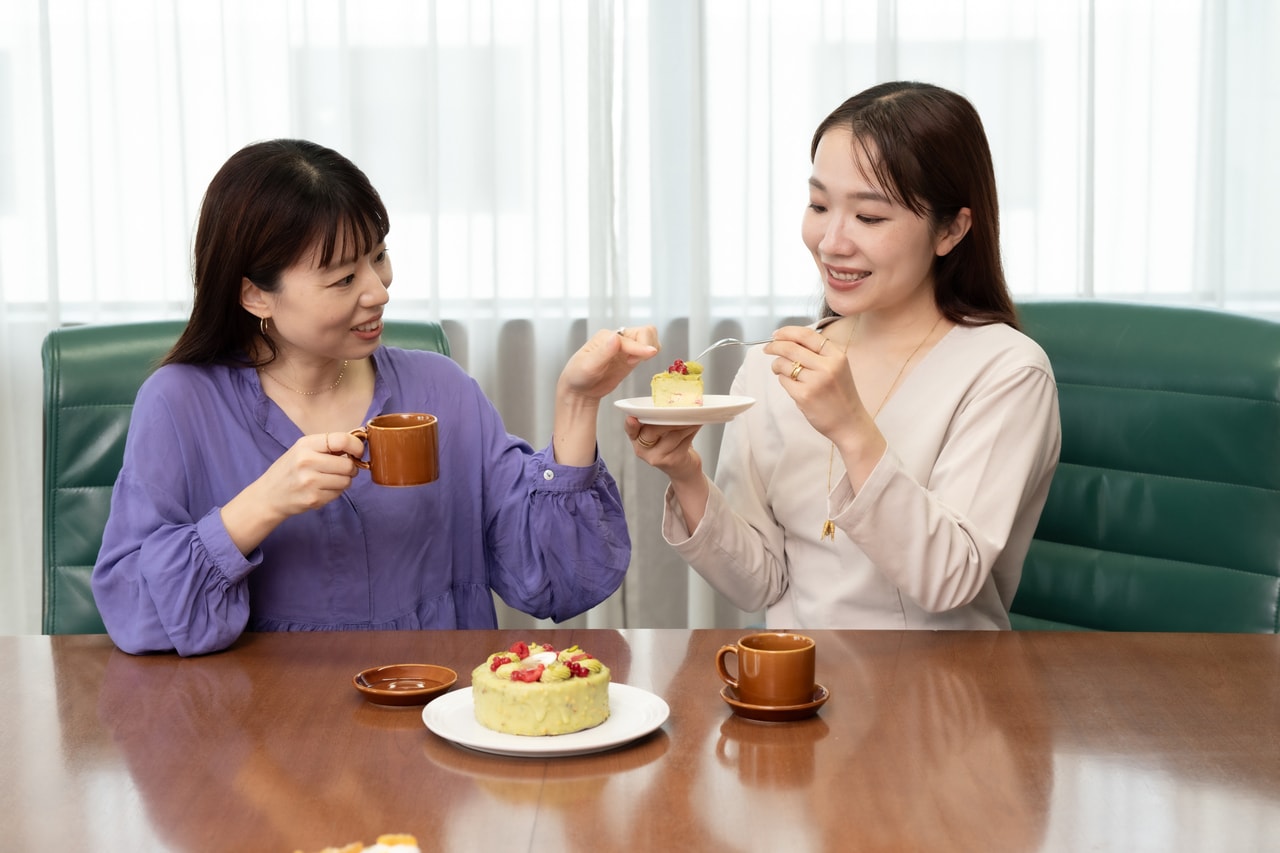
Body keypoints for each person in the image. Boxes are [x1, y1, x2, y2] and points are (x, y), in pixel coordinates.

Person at [92, 138, 659, 656]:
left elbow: (559, 580)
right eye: (343, 278)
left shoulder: (441, 389)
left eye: (379, 256)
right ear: (256, 295)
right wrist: (261, 505)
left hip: (436, 716)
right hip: (263, 740)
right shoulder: (179, 403)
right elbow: (134, 613)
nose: (379, 290)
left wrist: (578, 403)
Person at [627, 81, 1061, 630]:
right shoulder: (772, 365)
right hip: (802, 694)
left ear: (951, 229)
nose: (831, 242)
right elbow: (757, 582)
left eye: (869, 217)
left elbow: (948, 581)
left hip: (940, 697)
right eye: (818, 205)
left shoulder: (1007, 372)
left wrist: (851, 427)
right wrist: (685, 473)